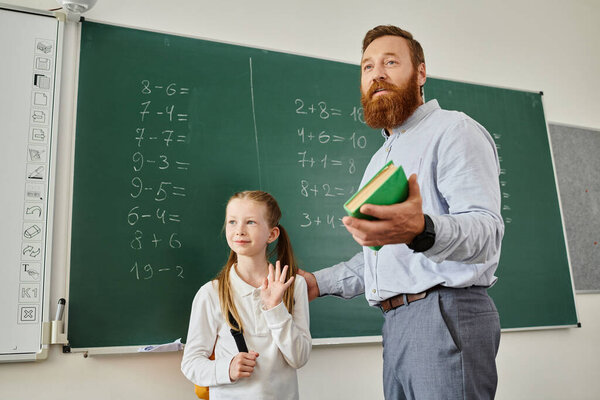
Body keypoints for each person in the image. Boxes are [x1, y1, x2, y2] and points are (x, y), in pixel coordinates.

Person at [298, 25, 503, 400]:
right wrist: (317, 283)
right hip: (396, 325)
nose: (377, 73)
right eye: (367, 67)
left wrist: (422, 229)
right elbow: (387, 255)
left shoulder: (453, 130)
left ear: (420, 73)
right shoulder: (381, 159)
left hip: (444, 313)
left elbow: (487, 232)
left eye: (390, 62)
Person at [182, 190, 311, 400]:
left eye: (250, 222)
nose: (239, 230)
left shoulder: (294, 286)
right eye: (232, 222)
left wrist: (275, 308)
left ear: (272, 234)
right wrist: (227, 369)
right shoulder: (211, 293)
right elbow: (191, 363)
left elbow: (299, 358)